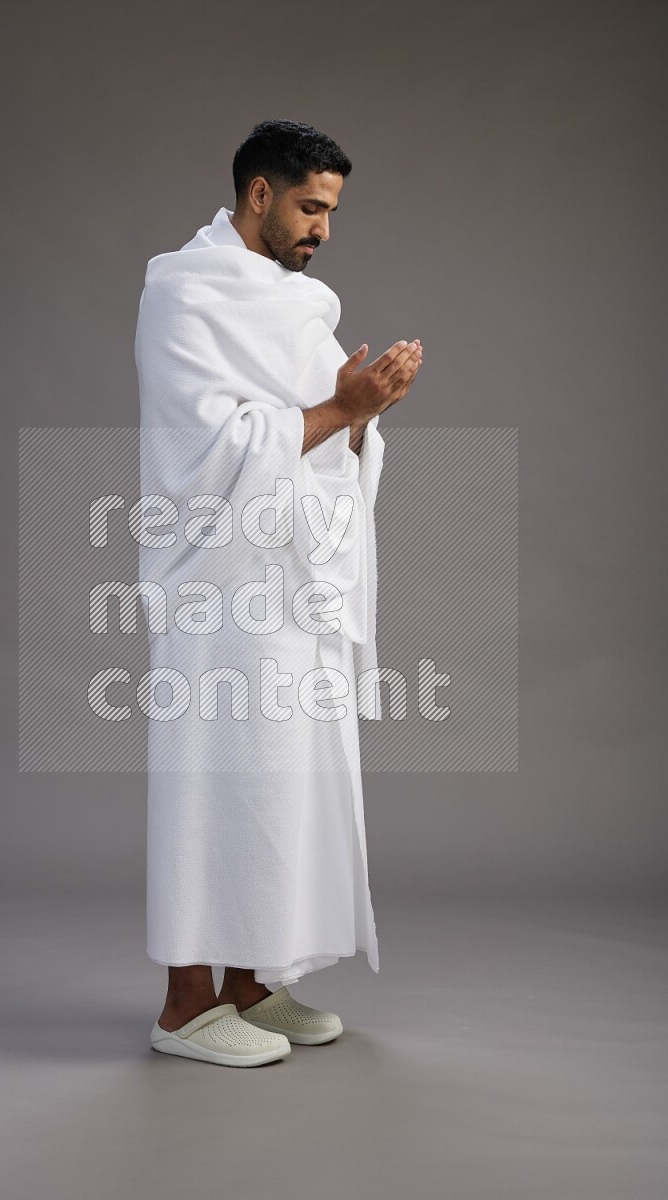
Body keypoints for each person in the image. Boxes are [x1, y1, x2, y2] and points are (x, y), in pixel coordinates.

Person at [135, 119, 423, 1067]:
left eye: (332, 211)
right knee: (213, 779)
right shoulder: (183, 292)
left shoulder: (301, 306)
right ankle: (185, 1006)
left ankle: (252, 987)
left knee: (279, 783)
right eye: (310, 207)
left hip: (297, 586)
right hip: (217, 591)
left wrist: (360, 415)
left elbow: (326, 438)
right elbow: (203, 451)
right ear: (258, 194)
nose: (323, 231)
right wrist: (343, 408)